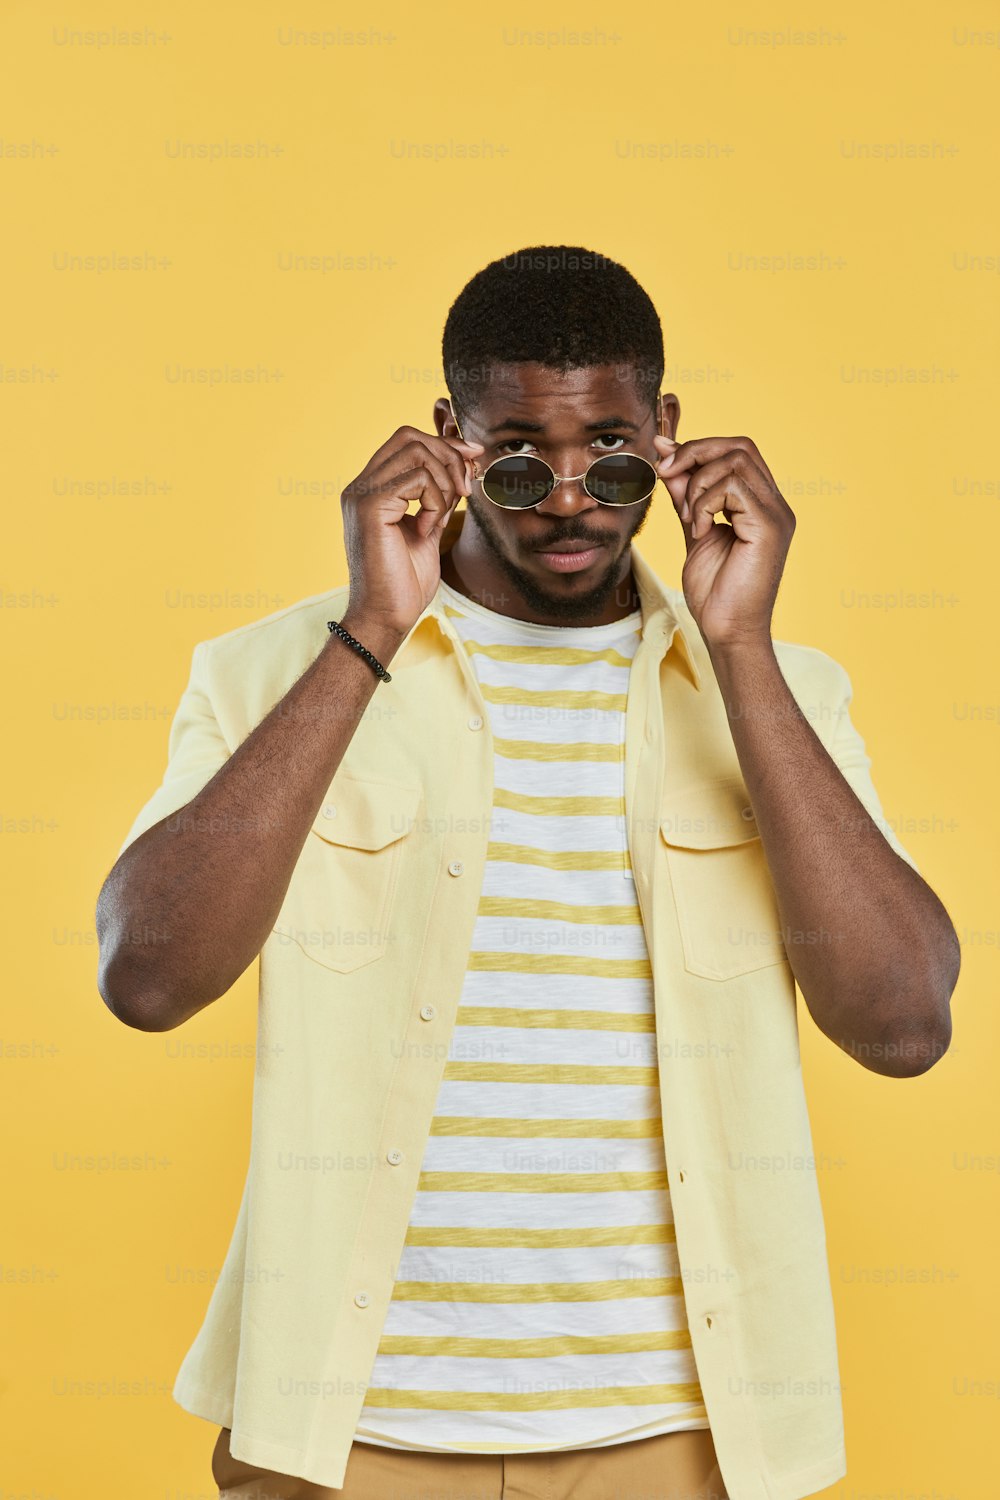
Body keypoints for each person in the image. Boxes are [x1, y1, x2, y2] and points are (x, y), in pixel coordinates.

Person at [96, 245, 959, 1500]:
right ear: (446, 441)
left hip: (673, 1433)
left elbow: (900, 1025)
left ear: (667, 437)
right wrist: (372, 627)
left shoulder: (787, 695)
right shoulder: (267, 670)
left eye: (611, 457)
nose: (566, 501)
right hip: (344, 1426)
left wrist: (743, 654)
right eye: (516, 459)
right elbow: (151, 978)